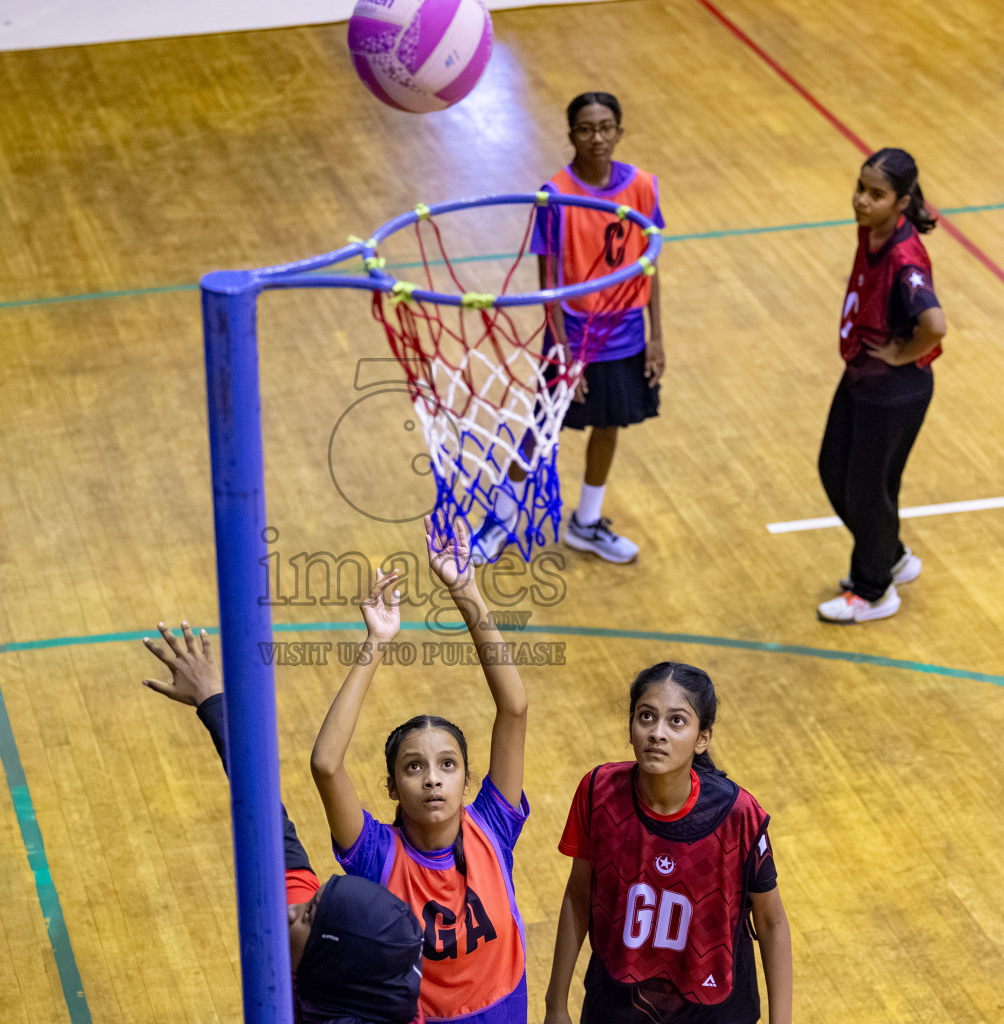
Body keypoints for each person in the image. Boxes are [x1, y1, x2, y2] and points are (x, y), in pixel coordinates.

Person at [139, 621, 425, 1024]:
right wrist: (213, 700)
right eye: (311, 904)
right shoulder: (346, 974)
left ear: (333, 963)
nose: (291, 911)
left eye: (308, 917)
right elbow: (268, 819)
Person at [311, 518, 531, 1024]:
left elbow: (514, 708)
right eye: (414, 767)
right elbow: (326, 764)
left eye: (447, 765)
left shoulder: (493, 825)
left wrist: (465, 589)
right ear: (392, 786)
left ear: (466, 780)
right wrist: (376, 640)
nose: (433, 778)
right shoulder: (376, 854)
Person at [474, 90, 665, 566]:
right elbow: (550, 283)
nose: (597, 138)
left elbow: (650, 264)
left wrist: (656, 336)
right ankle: (500, 520)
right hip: (575, 333)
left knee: (610, 423)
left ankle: (587, 522)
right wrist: (563, 353)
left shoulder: (644, 186)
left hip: (627, 332)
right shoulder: (554, 195)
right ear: (571, 135)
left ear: (619, 132)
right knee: (541, 429)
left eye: (605, 128)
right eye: (586, 129)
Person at [545, 662, 792, 1024]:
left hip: (716, 1014)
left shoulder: (739, 815)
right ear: (630, 727)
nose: (657, 733)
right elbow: (578, 895)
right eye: (646, 716)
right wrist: (555, 1004)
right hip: (616, 1009)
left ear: (702, 738)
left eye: (676, 721)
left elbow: (771, 922)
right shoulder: (598, 792)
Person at [817, 147, 948, 623]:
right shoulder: (872, 229)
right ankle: (891, 556)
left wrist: (900, 355)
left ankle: (873, 591)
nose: (862, 200)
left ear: (902, 202)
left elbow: (934, 325)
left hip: (893, 391)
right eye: (861, 188)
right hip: (862, 375)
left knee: (867, 491)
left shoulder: (904, 258)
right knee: (834, 470)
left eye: (876, 195)